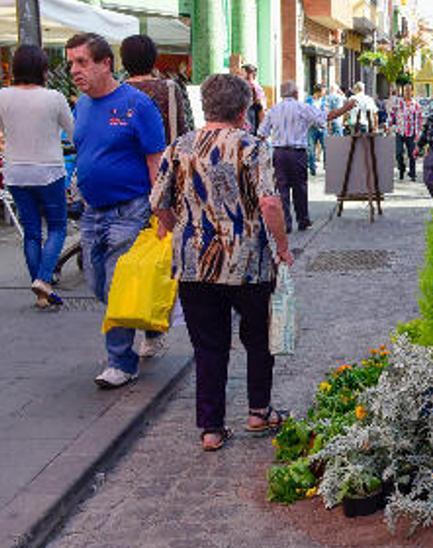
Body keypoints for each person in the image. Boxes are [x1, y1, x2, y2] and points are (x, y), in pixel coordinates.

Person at [150, 73, 293, 451]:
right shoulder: (252, 146)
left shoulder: (179, 147)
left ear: (205, 106)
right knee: (258, 338)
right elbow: (269, 202)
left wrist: (178, 230)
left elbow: (158, 202)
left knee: (208, 346)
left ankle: (211, 429)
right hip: (248, 262)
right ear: (244, 110)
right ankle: (258, 411)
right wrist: (282, 246)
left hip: (194, 263)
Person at [66, 32, 168, 388]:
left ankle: (121, 362)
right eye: (71, 62)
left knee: (117, 282)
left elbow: (156, 161)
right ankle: (150, 320)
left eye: (82, 61)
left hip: (131, 208)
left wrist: (161, 211)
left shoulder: (136, 105)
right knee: (96, 283)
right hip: (93, 210)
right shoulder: (81, 105)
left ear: (105, 63)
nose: (75, 70)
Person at [0, 45, 74, 308]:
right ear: (43, 69)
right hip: (49, 170)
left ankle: (42, 293)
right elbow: (73, 133)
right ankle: (42, 278)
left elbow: (5, 129)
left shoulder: (1, 96)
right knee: (58, 227)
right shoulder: (54, 97)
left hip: (16, 171)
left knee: (31, 233)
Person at [259, 81, 355, 232]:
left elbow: (262, 133)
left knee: (281, 188)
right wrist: (345, 109)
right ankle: (303, 220)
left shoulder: (274, 110)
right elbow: (324, 117)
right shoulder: (302, 107)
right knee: (300, 187)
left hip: (278, 153)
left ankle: (285, 223)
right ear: (295, 93)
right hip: (297, 153)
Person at [120, 35, 193, 144]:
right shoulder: (170, 88)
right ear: (154, 58)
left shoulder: (117, 92)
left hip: (127, 158)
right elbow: (184, 130)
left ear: (124, 61)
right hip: (164, 157)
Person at [390, 86, 423, 182]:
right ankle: (402, 168)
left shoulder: (416, 105)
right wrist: (389, 125)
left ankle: (412, 173)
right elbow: (392, 115)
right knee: (398, 153)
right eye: (405, 91)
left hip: (411, 132)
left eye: (409, 91)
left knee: (412, 154)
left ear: (412, 92)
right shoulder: (399, 103)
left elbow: (419, 120)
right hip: (400, 131)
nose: (407, 93)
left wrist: (418, 133)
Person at [304, 84, 327, 176]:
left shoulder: (324, 101)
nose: (325, 93)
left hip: (322, 127)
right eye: (324, 91)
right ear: (318, 91)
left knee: (326, 147)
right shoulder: (308, 100)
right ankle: (312, 168)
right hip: (311, 128)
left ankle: (327, 167)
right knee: (311, 149)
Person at [242, 64, 265, 133]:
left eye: (242, 72)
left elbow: (260, 103)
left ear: (249, 73)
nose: (240, 75)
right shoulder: (254, 85)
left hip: (251, 111)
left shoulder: (254, 86)